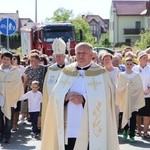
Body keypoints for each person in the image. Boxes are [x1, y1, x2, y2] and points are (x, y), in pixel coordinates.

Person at [41, 42, 119, 150]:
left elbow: (106, 96)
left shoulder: (100, 73)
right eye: (78, 53)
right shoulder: (66, 71)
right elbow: (55, 94)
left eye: (84, 53)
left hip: (90, 124)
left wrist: (84, 99)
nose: (81, 56)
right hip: (68, 123)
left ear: (92, 55)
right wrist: (65, 97)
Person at [41, 38, 68, 134]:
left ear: (64, 56)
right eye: (57, 56)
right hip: (53, 101)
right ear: (54, 57)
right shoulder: (51, 69)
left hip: (67, 103)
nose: (59, 58)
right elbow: (47, 86)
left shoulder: (70, 69)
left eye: (61, 55)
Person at [116, 57, 145, 142]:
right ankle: (125, 129)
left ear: (133, 65)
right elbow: (118, 88)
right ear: (125, 64)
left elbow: (139, 87)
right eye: (127, 64)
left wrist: (131, 87)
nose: (128, 66)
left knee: (133, 118)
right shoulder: (122, 75)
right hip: (124, 100)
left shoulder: (136, 75)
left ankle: (132, 134)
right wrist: (125, 88)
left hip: (133, 100)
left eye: (130, 64)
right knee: (123, 115)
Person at [0, 52, 24, 143]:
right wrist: (4, 85)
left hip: (11, 98)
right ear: (1, 59)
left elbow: (18, 84)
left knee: (9, 119)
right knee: (0, 118)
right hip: (0, 98)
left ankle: (7, 136)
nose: (6, 61)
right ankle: (2, 133)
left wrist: (8, 86)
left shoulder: (15, 71)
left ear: (10, 60)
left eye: (8, 59)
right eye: (4, 59)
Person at [133, 51, 150, 139]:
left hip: (148, 95)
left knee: (147, 114)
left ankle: (146, 132)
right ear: (139, 59)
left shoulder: (149, 68)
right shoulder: (134, 69)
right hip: (137, 95)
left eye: (146, 58)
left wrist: (148, 90)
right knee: (138, 114)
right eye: (144, 58)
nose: (146, 59)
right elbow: (132, 81)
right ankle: (139, 130)